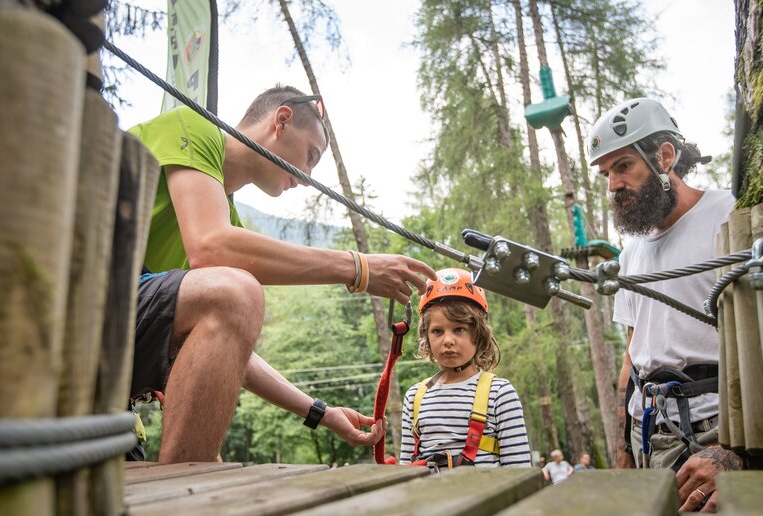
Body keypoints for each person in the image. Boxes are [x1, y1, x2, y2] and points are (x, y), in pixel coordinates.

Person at [128, 85, 437, 463]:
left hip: (111, 372)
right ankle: (186, 489)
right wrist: (359, 267)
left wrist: (320, 412)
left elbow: (229, 339)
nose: (306, 177)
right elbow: (211, 247)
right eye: (310, 156)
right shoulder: (192, 126)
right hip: (72, 298)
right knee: (236, 291)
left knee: (234, 297)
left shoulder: (225, 223)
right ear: (282, 120)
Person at [588, 98, 741, 512]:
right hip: (650, 435)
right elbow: (633, 356)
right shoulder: (632, 253)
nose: (613, 185)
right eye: (606, 174)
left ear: (664, 156)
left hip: (717, 433)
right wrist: (623, 451)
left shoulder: (729, 217)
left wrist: (734, 451)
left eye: (623, 166)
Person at [399, 269, 532, 469]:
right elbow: (406, 468)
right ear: (427, 337)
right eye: (437, 331)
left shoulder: (499, 393)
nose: (448, 341)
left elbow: (519, 468)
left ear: (478, 335)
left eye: (459, 329)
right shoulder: (415, 397)